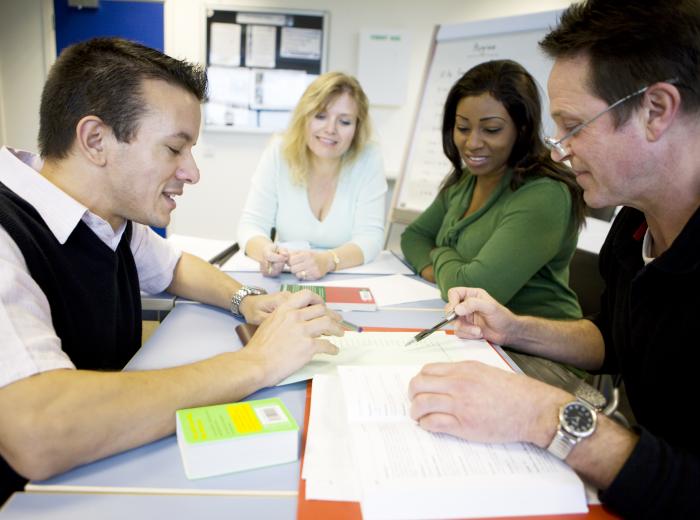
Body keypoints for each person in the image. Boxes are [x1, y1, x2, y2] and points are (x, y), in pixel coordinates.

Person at [0, 38, 343, 503]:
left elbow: (175, 266)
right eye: (174, 149)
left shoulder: (105, 216)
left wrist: (248, 301)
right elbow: (37, 430)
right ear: (96, 140)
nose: (193, 172)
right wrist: (256, 362)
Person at [408, 1, 700, 517]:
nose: (560, 150)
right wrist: (514, 329)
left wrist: (546, 415)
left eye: (573, 126)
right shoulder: (633, 225)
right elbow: (613, 338)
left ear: (656, 110)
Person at [400, 60, 585, 322]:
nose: (472, 143)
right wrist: (445, 272)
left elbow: (478, 291)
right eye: (462, 128)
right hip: (474, 333)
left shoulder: (545, 194)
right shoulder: (467, 179)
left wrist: (438, 253)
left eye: (491, 130)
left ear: (522, 129)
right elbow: (414, 237)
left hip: (534, 352)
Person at [237, 72, 387, 281]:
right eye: (320, 116)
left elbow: (371, 238)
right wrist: (265, 252)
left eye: (344, 121)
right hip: (289, 277)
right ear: (304, 117)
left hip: (347, 276)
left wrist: (328, 260)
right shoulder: (279, 151)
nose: (330, 129)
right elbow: (251, 224)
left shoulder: (368, 158)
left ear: (357, 127)